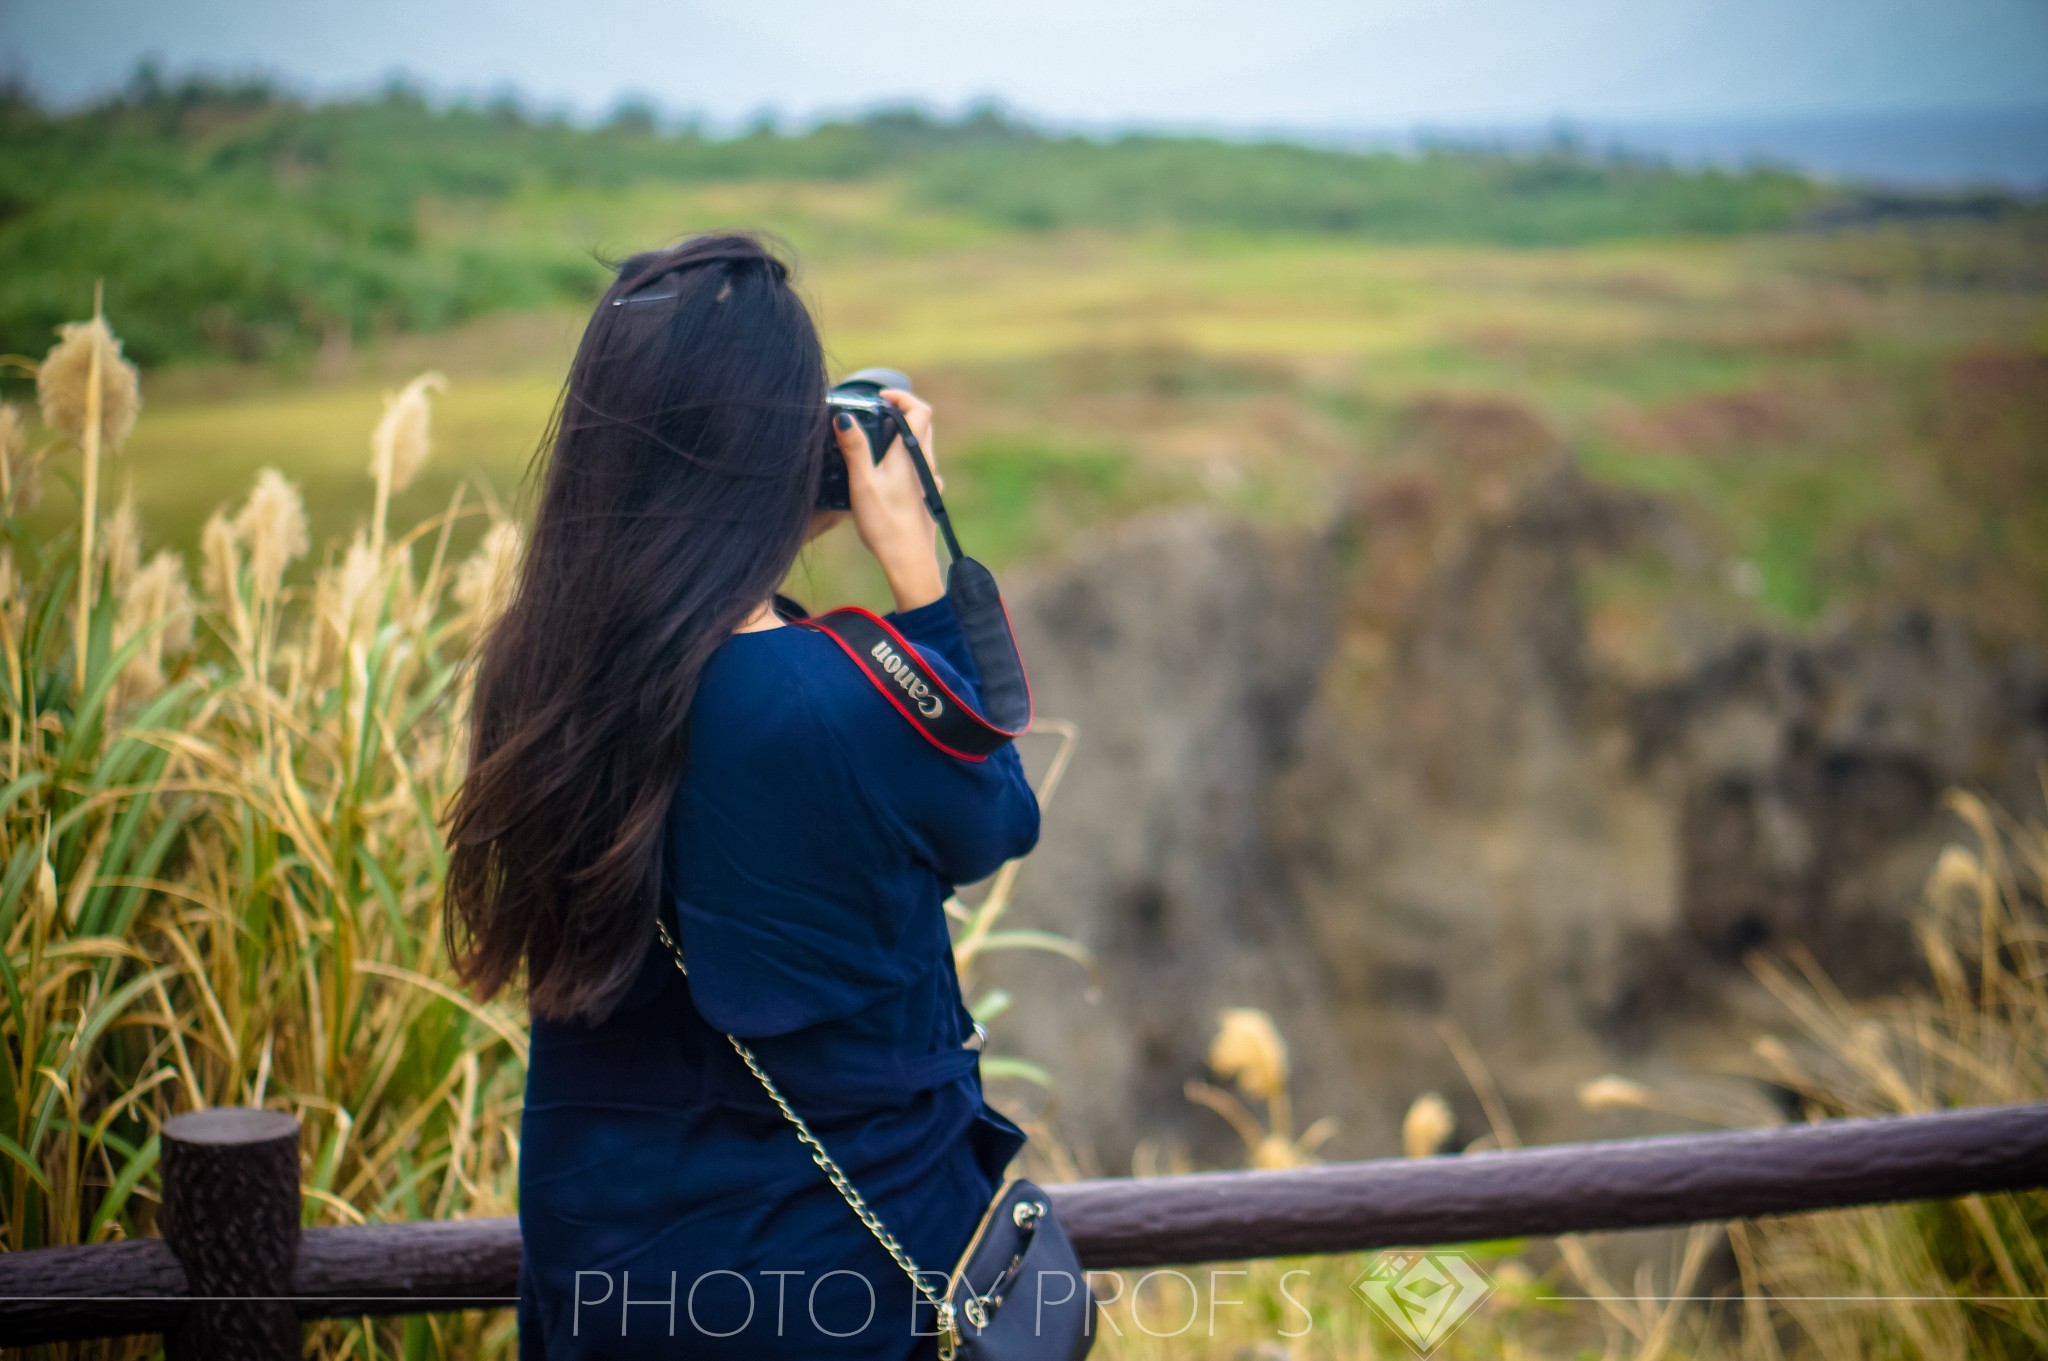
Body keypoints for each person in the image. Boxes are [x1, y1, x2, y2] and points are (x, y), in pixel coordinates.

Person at [443, 232, 1041, 1359]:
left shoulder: (533, 669)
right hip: (831, 1288)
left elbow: (695, 667)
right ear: (773, 450)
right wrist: (912, 557)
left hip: (601, 1285)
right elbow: (994, 812)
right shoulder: (832, 696)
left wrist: (755, 529)